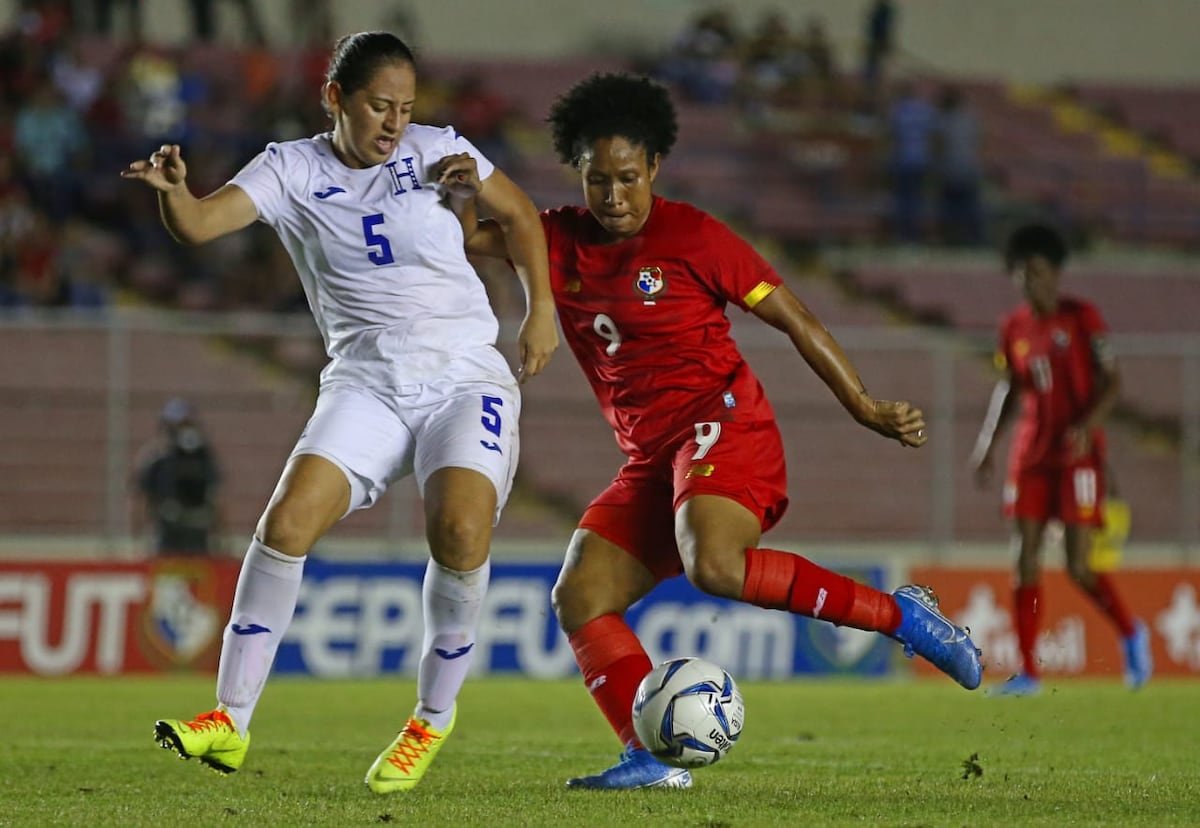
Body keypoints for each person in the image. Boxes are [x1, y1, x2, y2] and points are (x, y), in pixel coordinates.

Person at [461, 73, 982, 790]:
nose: (614, 197)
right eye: (597, 180)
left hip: (721, 420)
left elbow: (794, 317)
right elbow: (458, 236)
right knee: (580, 597)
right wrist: (460, 176)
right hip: (651, 456)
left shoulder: (694, 236)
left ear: (655, 169)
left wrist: (863, 405)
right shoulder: (550, 239)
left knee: (715, 564)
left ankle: (905, 616)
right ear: (575, 173)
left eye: (629, 178)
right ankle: (649, 756)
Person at [120, 31, 558, 793]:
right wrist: (175, 196)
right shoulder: (289, 168)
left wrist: (539, 311)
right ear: (336, 99)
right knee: (286, 523)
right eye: (378, 106)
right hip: (365, 381)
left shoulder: (437, 149)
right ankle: (229, 720)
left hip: (463, 377)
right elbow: (199, 225)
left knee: (459, 529)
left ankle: (430, 718)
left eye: (405, 107)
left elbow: (521, 218)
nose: (394, 123)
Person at [969, 223, 1151, 697]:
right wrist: (987, 445)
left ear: (1055, 273)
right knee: (1023, 558)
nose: (1031, 281)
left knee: (1078, 565)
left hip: (1079, 457)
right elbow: (1009, 387)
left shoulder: (1082, 317)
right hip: (1032, 452)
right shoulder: (1013, 328)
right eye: (1023, 273)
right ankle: (1028, 673)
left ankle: (1132, 634)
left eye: (1039, 271)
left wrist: (1089, 425)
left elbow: (1113, 382)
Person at [133, 397, 223, 556]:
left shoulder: (204, 459)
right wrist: (139, 539)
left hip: (198, 534)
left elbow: (216, 499)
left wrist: (221, 539)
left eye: (189, 424)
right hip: (168, 535)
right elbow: (142, 500)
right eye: (180, 425)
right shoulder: (157, 460)